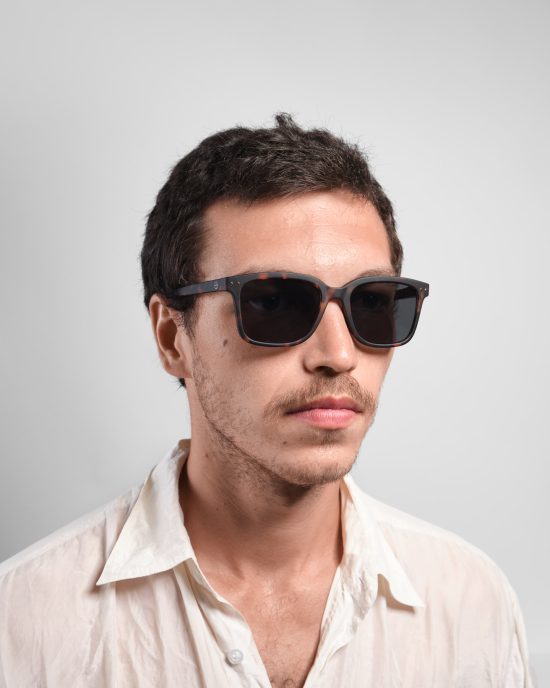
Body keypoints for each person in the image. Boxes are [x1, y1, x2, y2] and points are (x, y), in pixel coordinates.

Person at [0, 115, 534, 688]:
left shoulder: (471, 605)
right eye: (275, 303)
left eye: (373, 303)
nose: (339, 355)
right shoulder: (26, 625)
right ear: (173, 337)